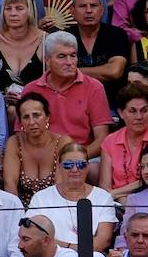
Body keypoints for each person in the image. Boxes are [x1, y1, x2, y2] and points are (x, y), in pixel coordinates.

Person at [22, 31, 111, 161]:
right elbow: (22, 135)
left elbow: (102, 139)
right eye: (62, 56)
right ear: (47, 60)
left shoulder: (94, 87)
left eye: (73, 56)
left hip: (82, 156)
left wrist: (73, 159)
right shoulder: (31, 89)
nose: (69, 62)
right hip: (41, 157)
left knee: (95, 168)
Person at [27, 143, 117, 255]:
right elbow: (33, 233)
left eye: (81, 165)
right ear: (59, 166)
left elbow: (103, 241)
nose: (74, 169)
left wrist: (74, 251)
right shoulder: (41, 198)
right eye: (68, 165)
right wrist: (70, 249)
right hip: (50, 256)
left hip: (91, 255)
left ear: (88, 167)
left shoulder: (103, 197)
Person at [0, 0, 45, 134]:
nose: (13, 13)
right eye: (8, 9)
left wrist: (27, 97)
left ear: (30, 10)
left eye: (19, 8)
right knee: (11, 111)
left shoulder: (44, 39)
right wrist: (4, 98)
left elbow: (50, 83)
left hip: (37, 105)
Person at [102, 82, 148, 197]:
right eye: (132, 111)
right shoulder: (110, 141)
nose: (139, 117)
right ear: (121, 113)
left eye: (144, 110)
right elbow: (105, 186)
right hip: (117, 202)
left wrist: (116, 194)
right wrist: (119, 199)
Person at [71, 0, 132, 109]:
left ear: (102, 10)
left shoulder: (117, 35)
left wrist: (73, 72)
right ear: (72, 11)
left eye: (93, 5)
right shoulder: (64, 37)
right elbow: (56, 72)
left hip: (113, 104)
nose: (89, 10)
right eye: (82, 6)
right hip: (73, 103)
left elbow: (114, 71)